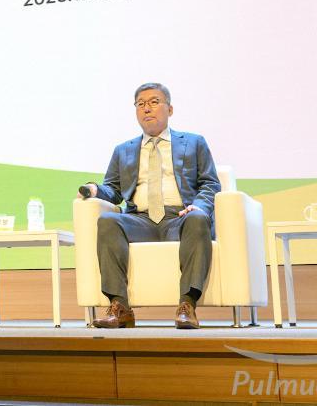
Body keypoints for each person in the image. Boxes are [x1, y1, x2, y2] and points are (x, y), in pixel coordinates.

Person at [80, 83, 220, 330]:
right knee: (108, 221)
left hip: (180, 217)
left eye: (154, 102)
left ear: (170, 109)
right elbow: (113, 190)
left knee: (198, 219)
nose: (147, 108)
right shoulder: (123, 150)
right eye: (141, 104)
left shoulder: (194, 142)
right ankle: (119, 308)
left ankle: (187, 306)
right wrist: (94, 190)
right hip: (140, 220)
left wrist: (198, 206)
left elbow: (210, 183)